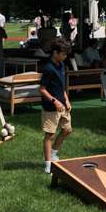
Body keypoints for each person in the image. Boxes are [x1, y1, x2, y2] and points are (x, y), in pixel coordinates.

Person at [40, 39, 73, 174]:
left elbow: (61, 86)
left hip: (63, 105)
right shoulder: (48, 68)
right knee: (50, 134)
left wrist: (66, 99)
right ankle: (48, 164)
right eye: (64, 54)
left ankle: (53, 154)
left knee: (67, 129)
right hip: (51, 107)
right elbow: (42, 89)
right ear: (55, 53)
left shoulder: (61, 65)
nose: (65, 56)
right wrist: (55, 101)